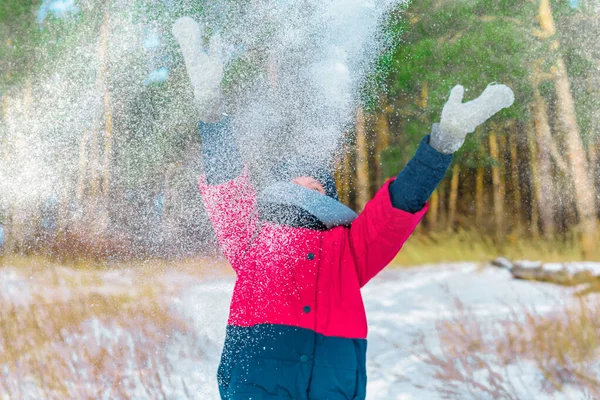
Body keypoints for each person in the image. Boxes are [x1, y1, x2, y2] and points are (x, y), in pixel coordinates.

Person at [173, 17, 514, 400]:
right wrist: (210, 110)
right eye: (296, 178)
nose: (308, 184)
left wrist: (443, 143)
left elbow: (398, 207)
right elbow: (226, 184)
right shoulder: (253, 237)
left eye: (318, 181)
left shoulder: (348, 248)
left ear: (331, 196)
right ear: (277, 189)